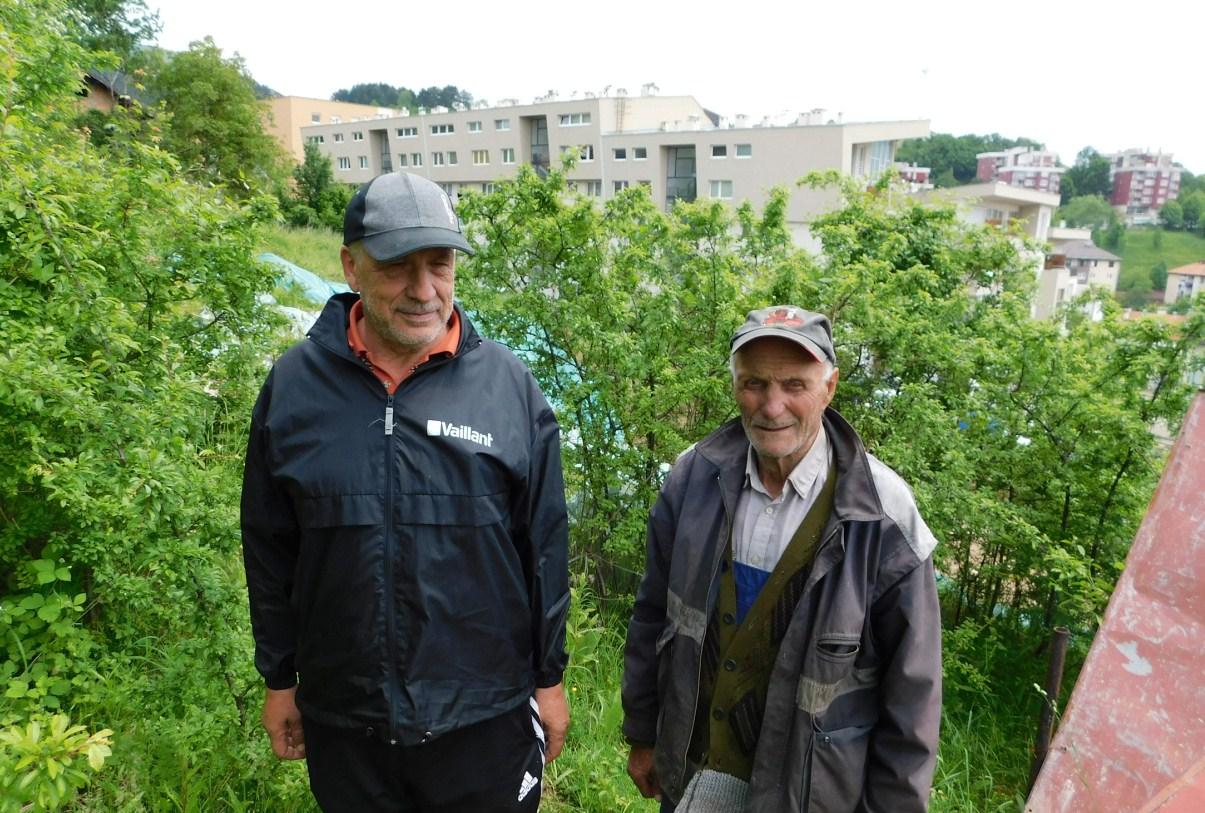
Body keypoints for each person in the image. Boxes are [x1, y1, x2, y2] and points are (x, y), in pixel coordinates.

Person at [241, 171, 571, 812]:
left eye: (439, 264)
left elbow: (545, 550)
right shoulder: (294, 389)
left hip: (484, 717)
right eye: (397, 266)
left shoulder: (509, 388)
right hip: (346, 718)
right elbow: (269, 546)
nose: (424, 291)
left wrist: (548, 679)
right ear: (351, 266)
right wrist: (280, 679)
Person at [621, 306, 941, 812]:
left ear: (829, 388)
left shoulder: (882, 515)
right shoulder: (694, 479)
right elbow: (654, 614)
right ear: (733, 386)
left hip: (810, 790)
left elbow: (913, 697)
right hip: (701, 769)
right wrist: (643, 732)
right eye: (754, 384)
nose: (772, 406)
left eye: (795, 385)